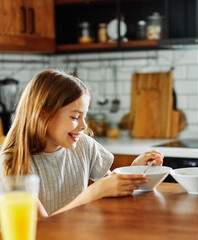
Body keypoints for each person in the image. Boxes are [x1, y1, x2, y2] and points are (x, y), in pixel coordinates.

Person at [0, 69, 163, 217]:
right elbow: (39, 227)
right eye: (74, 117)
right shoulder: (11, 163)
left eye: (84, 116)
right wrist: (93, 193)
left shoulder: (84, 145)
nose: (84, 125)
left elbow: (109, 185)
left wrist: (135, 170)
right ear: (43, 115)